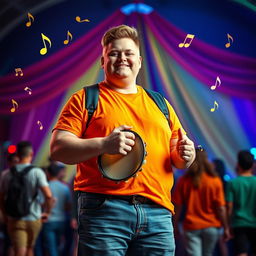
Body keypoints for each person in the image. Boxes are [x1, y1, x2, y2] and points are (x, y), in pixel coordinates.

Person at [50, 24, 195, 256]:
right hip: (104, 211)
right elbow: (58, 149)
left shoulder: (161, 103)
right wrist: (105, 144)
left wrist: (187, 155)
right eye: (114, 53)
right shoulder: (85, 99)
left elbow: (179, 159)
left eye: (128, 53)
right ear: (102, 61)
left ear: (139, 60)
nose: (122, 58)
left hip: (158, 213)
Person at [172, 149, 231, 256]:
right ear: (206, 159)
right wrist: (226, 227)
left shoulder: (183, 180)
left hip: (191, 227)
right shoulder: (215, 180)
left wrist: (174, 226)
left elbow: (177, 207)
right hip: (211, 226)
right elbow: (221, 208)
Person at [0, 141, 54, 256]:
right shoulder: (37, 172)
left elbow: (1, 197)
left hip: (14, 219)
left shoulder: (6, 174)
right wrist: (47, 213)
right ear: (31, 154)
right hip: (34, 218)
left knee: (18, 249)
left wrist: (5, 215)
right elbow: (48, 196)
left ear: (17, 155)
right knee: (30, 248)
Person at [226, 150, 256, 256]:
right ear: (253, 165)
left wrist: (227, 226)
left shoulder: (232, 183)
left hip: (239, 224)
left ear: (238, 164)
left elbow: (229, 207)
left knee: (241, 252)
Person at [41, 163, 72, 256]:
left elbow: (41, 204)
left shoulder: (45, 187)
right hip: (61, 220)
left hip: (48, 221)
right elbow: (69, 206)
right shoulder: (65, 187)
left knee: (51, 247)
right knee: (58, 245)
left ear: (48, 174)